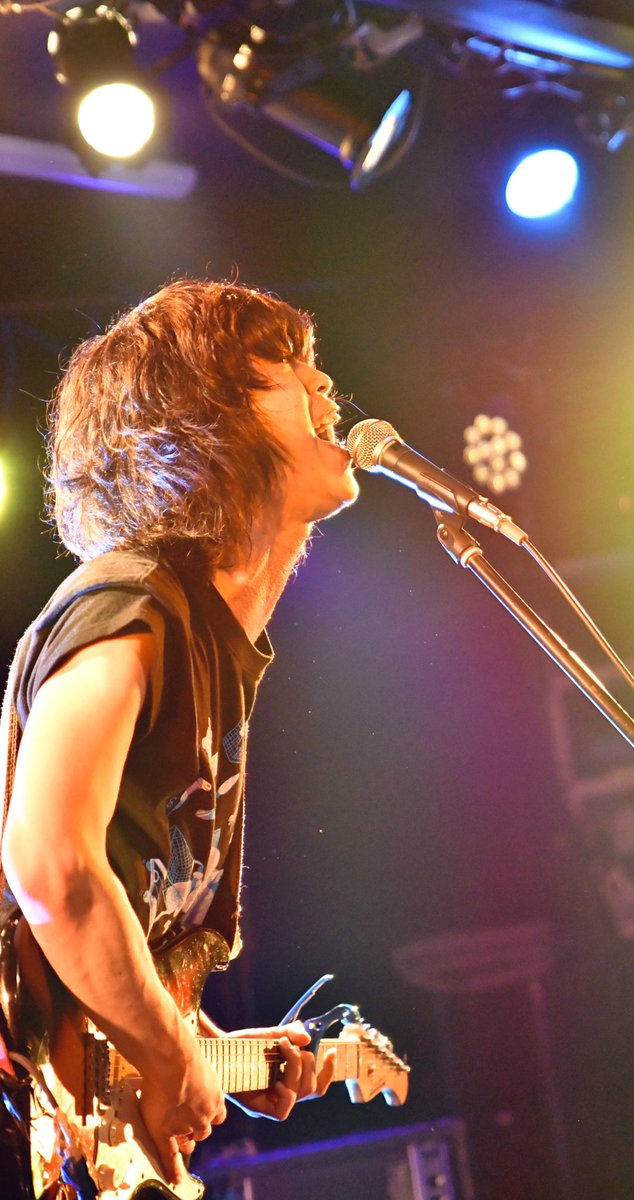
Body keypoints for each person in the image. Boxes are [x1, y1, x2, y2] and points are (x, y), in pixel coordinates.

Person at [0, 277, 360, 1194]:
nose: (326, 388)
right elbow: (48, 863)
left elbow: (118, 938)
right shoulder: (129, 602)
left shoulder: (211, 643)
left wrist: (202, 1053)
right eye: (287, 369)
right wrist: (166, 1055)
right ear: (205, 421)